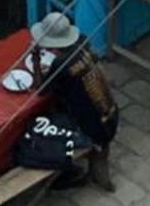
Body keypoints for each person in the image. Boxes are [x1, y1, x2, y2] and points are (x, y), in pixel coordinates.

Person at [28, 12, 119, 189]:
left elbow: (39, 89)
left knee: (39, 126)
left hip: (94, 129)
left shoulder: (61, 64)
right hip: (111, 114)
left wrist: (36, 59)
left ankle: (66, 173)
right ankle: (99, 165)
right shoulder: (83, 42)